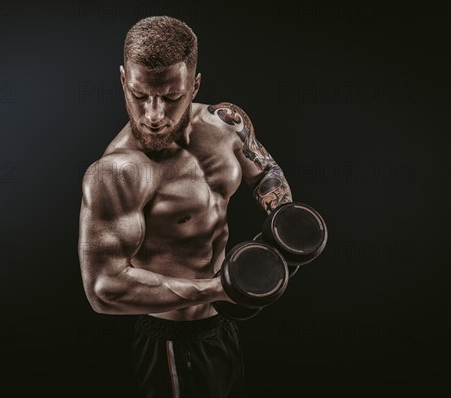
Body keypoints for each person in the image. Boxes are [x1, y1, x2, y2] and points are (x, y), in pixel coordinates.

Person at [78, 16, 292, 398]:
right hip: (172, 343)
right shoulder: (118, 172)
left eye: (171, 97)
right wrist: (218, 288)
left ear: (194, 85)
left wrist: (285, 225)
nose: (154, 116)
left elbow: (265, 173)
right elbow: (103, 289)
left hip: (223, 329)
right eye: (140, 95)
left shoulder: (227, 123)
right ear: (124, 79)